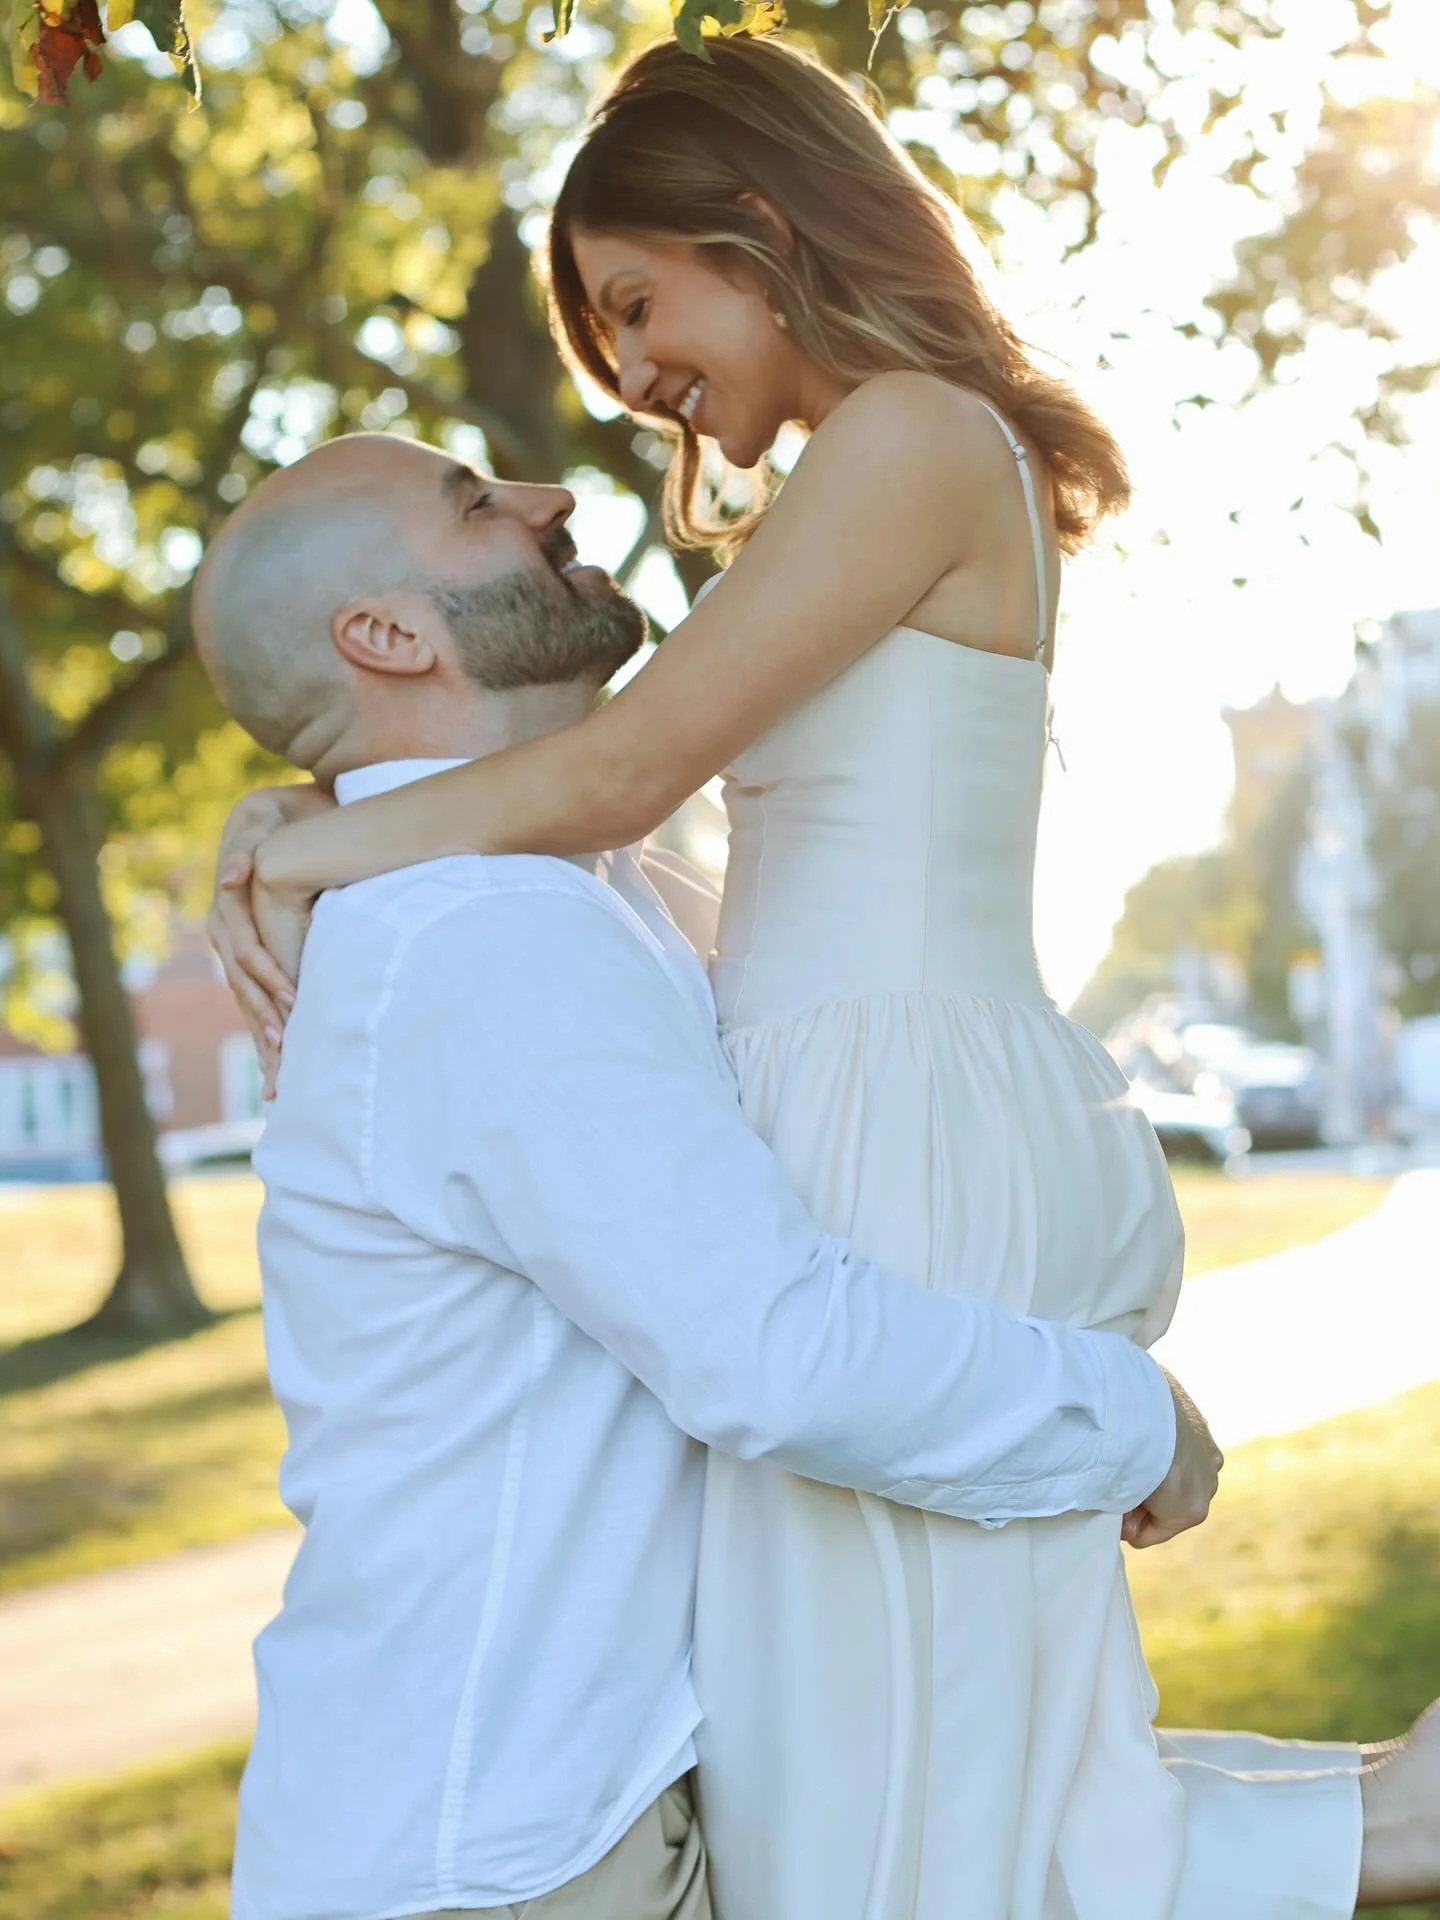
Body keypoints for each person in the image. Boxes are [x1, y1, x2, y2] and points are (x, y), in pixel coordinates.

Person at [208, 35, 1440, 1920]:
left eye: (635, 304)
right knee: (903, 1773)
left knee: (897, 1798)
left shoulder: (914, 438)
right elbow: (629, 817)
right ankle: (1384, 1821)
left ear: (761, 226)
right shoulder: (543, 877)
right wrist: (326, 807)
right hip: (859, 1091)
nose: (624, 386)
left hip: (898, 1103)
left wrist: (309, 839)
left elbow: (626, 772)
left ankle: (1383, 1832)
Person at [194, 430, 1218, 1920]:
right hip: (510, 1855)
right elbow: (778, 1354)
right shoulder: (481, 934)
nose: (549, 497)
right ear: (387, 636)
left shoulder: (558, 893)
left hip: (530, 1817)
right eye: (474, 504)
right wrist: (1129, 1418)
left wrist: (306, 814)